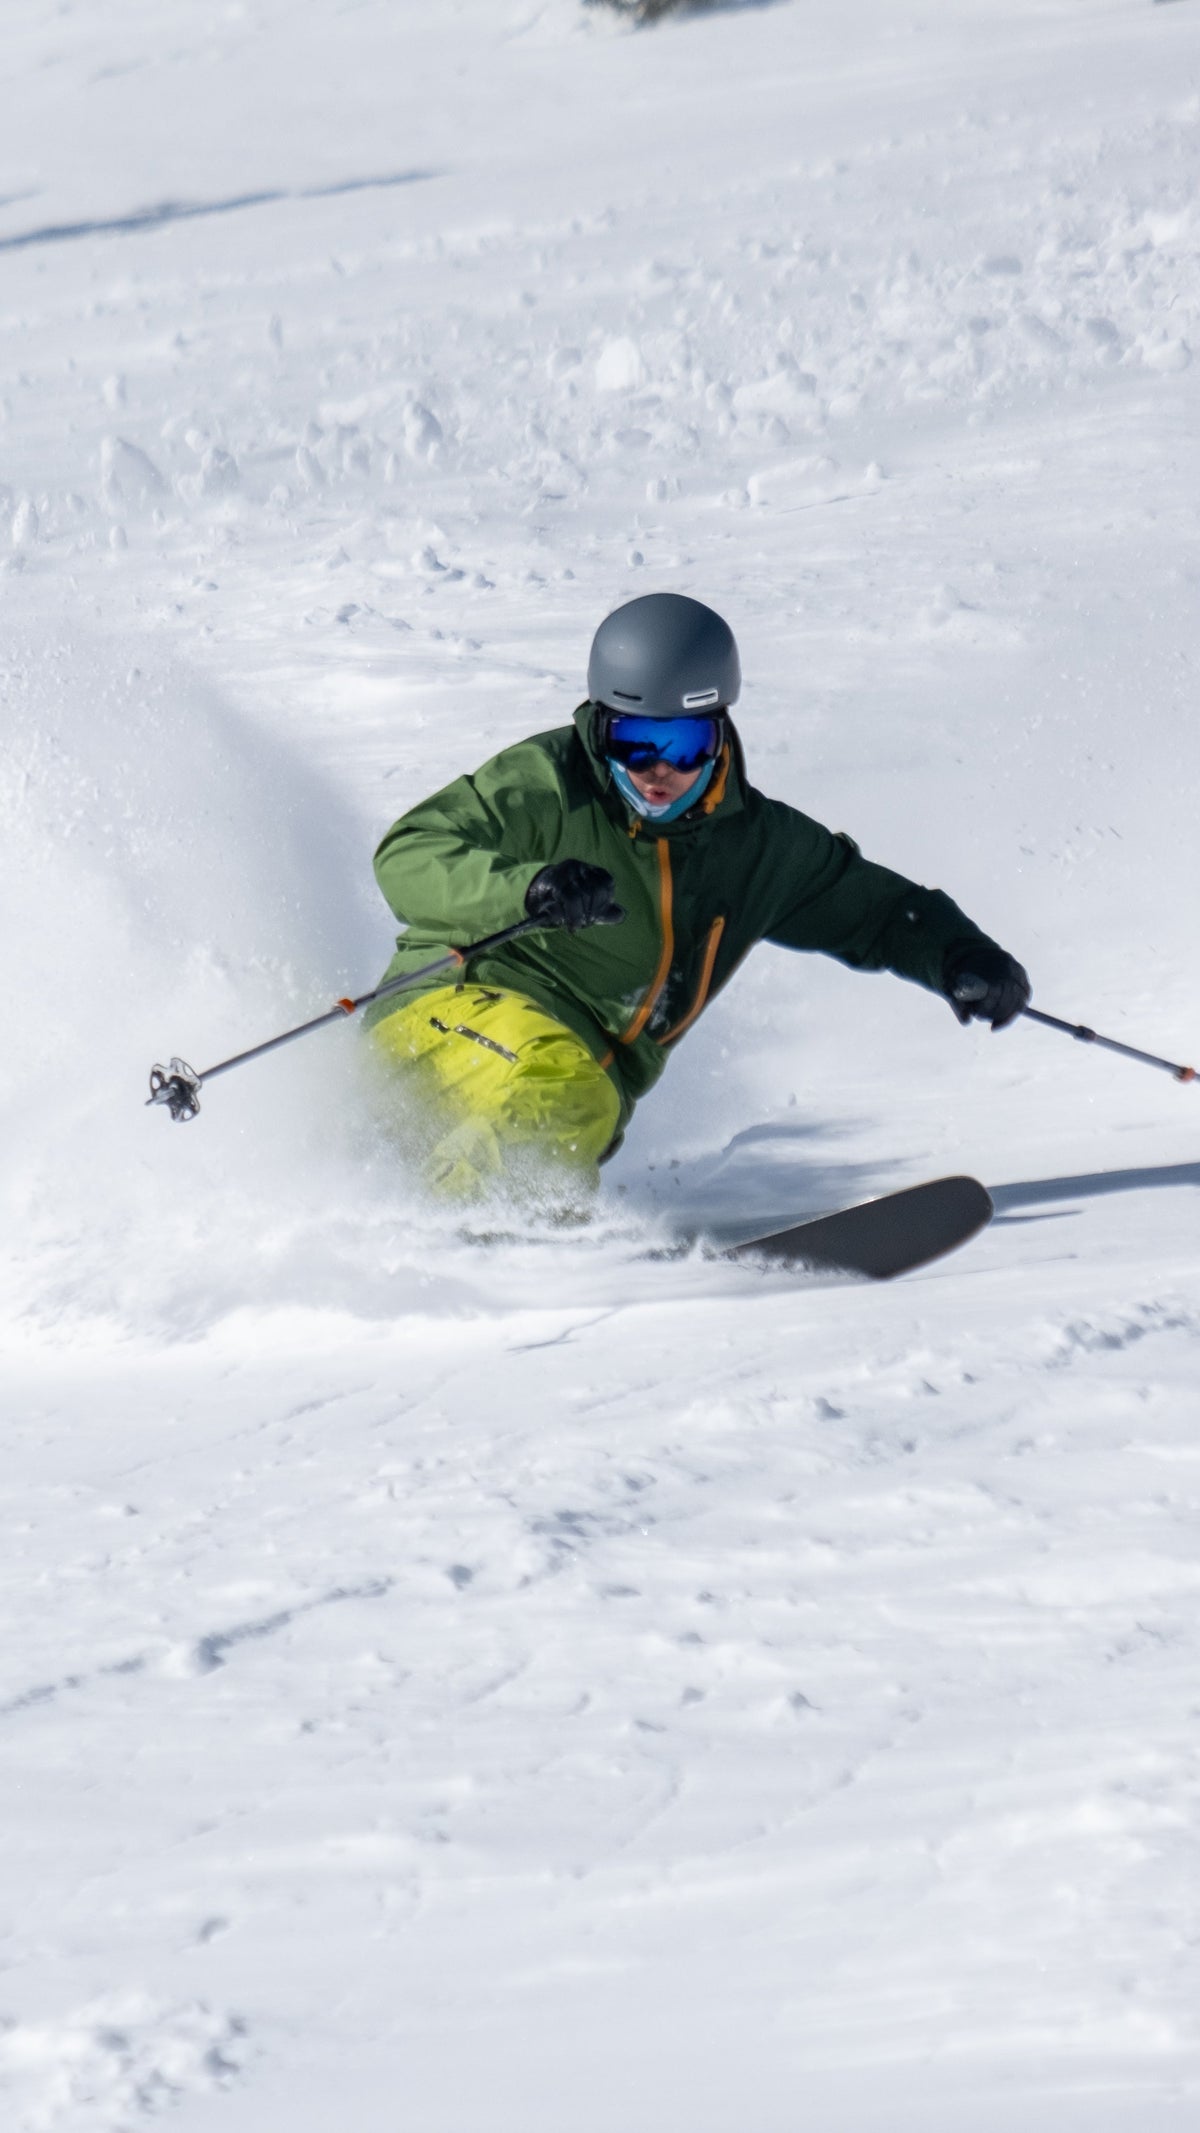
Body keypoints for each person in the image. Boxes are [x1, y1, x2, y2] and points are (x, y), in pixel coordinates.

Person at [366, 593, 1029, 1201]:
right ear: (601, 730)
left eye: (683, 744)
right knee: (561, 1092)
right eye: (634, 742)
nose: (658, 771)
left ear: (718, 736)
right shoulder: (548, 784)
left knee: (572, 1109)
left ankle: (446, 1218)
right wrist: (528, 888)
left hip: (579, 1075)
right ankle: (464, 1235)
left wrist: (958, 954)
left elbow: (875, 911)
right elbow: (410, 853)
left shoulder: (755, 848)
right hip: (446, 1008)